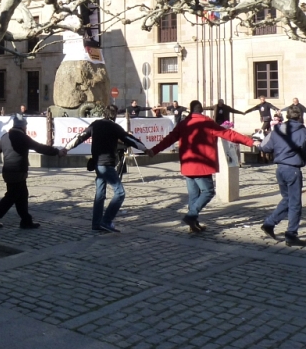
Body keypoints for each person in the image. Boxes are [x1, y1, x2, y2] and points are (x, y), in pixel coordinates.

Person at [147, 100, 256, 233]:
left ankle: (193, 224)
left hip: (188, 165)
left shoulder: (183, 123)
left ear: (191, 110)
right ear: (202, 110)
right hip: (202, 165)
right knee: (208, 192)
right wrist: (250, 142)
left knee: (194, 195)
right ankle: (191, 216)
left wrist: (154, 150)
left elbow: (168, 139)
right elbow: (229, 134)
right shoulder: (207, 122)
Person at [63, 104, 147, 232]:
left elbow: (79, 137)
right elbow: (130, 139)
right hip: (106, 164)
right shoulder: (115, 127)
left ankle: (96, 224)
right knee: (120, 193)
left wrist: (66, 148)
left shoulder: (95, 125)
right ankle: (106, 221)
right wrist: (145, 148)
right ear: (114, 115)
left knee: (100, 194)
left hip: (97, 163)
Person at [0, 113, 63, 229]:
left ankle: (26, 220)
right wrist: (57, 152)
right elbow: (39, 147)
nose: (26, 128)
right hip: (18, 172)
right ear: (22, 127)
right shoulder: (23, 137)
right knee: (11, 197)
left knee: (22, 196)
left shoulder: (6, 136)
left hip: (8, 172)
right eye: (25, 126)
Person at [260, 105, 306, 247]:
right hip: (292, 169)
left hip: (280, 169)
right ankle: (291, 234)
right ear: (300, 117)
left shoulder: (277, 130)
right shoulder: (302, 131)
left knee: (287, 199)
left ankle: (269, 223)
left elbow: (265, 146)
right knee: (295, 203)